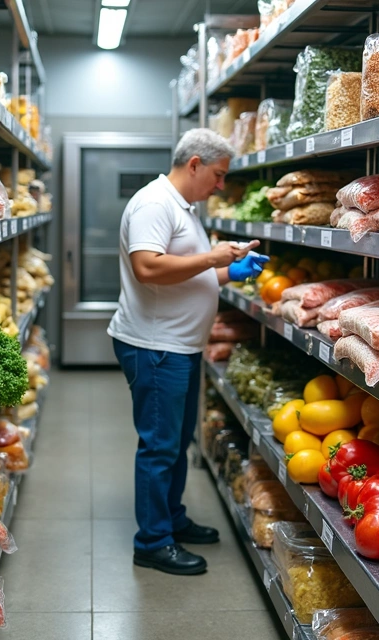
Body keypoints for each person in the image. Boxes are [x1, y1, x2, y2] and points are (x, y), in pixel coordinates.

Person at [108, 128, 269, 576]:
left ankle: (171, 519)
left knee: (177, 443)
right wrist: (214, 258)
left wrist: (231, 271)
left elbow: (188, 274)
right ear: (194, 163)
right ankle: (153, 542)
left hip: (177, 345)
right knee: (160, 447)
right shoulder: (154, 204)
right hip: (156, 346)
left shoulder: (184, 207)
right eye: (217, 175)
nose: (221, 186)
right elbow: (148, 268)